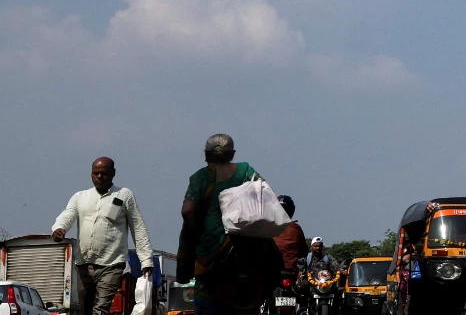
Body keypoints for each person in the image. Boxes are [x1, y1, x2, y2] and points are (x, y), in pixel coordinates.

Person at [178, 134, 282, 315]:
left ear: (206, 154)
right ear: (232, 153)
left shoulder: (201, 177)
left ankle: (184, 274)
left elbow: (187, 211)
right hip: (247, 260)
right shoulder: (246, 170)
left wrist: (196, 231)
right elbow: (267, 194)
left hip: (211, 257)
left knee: (208, 299)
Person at [51, 157, 154, 315]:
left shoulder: (124, 195)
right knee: (85, 309)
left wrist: (146, 259)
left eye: (103, 173)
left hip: (111, 264)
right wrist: (59, 228)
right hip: (84, 265)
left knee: (100, 309)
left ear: (113, 174)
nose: (99, 177)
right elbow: (67, 215)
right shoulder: (80, 197)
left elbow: (138, 227)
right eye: (95, 173)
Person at [273, 196, 307, 273]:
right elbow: (303, 251)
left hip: (270, 268)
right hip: (289, 269)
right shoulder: (295, 228)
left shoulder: (267, 225)